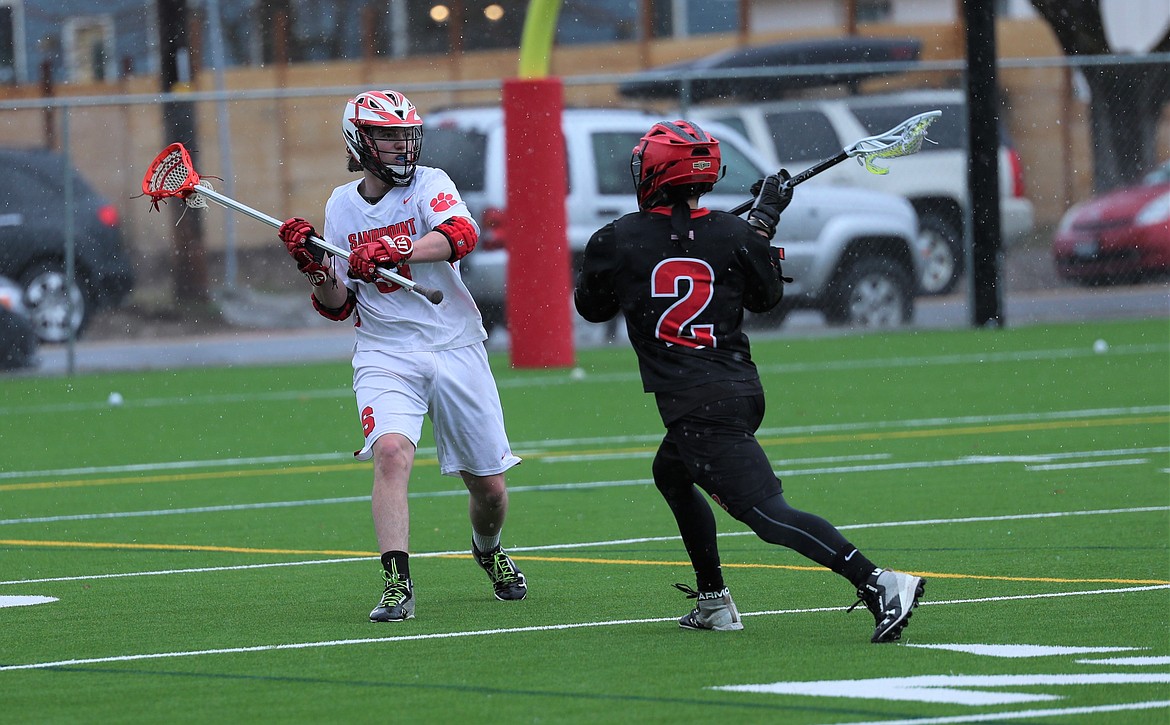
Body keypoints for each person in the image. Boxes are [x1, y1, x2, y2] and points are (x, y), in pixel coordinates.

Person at [573, 119, 924, 643]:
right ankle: (714, 600)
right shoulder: (732, 233)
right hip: (737, 388)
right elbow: (767, 299)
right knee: (670, 474)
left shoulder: (616, 238)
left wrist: (655, 259)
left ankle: (878, 581)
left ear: (651, 174)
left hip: (697, 404)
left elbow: (591, 307)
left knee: (766, 515)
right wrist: (760, 223)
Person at [277, 89, 527, 622]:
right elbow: (339, 304)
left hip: (455, 346)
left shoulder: (430, 184)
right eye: (387, 136)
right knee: (391, 453)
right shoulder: (341, 205)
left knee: (490, 489)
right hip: (385, 351)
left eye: (404, 134)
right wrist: (316, 268)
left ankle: (487, 549)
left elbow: (461, 234)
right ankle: (397, 583)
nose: (400, 145)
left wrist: (398, 249)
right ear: (359, 142)